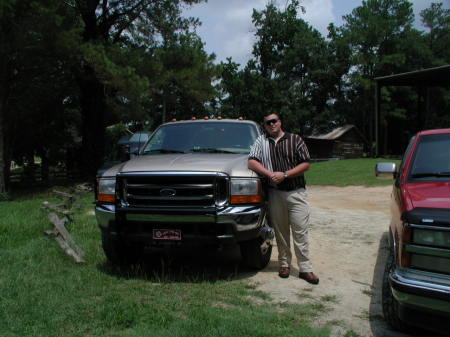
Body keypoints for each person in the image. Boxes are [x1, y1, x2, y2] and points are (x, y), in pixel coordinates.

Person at [248, 113, 319, 284]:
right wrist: (270, 174)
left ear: (280, 122)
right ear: (264, 125)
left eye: (274, 121)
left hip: (296, 192)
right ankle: (284, 264)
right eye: (267, 123)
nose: (271, 124)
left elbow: (306, 163)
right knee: (280, 232)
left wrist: (285, 174)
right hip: (275, 193)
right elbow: (251, 162)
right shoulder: (261, 142)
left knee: (300, 231)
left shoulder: (295, 139)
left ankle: (305, 269)